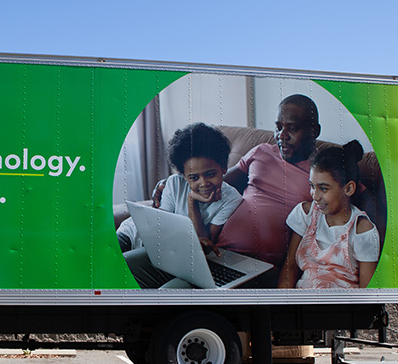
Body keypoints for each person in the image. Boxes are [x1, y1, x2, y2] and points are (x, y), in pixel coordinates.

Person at [123, 123, 242, 288]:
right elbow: (161, 229)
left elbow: (202, 244)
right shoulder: (174, 183)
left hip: (171, 255)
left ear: (223, 167)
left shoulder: (232, 199)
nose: (203, 183)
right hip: (135, 233)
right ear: (184, 176)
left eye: (210, 174)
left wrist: (192, 201)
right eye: (194, 178)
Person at [215, 94, 321, 271]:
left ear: (314, 131)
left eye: (292, 129)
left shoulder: (322, 170)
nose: (282, 136)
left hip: (263, 268)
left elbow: (360, 200)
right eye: (278, 127)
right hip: (220, 253)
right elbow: (214, 186)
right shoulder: (261, 152)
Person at [278, 141, 379, 288]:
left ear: (348, 189)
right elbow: (291, 266)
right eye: (312, 186)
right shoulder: (305, 214)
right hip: (303, 297)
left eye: (323, 189)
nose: (315, 195)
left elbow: (366, 291)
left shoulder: (361, 230)